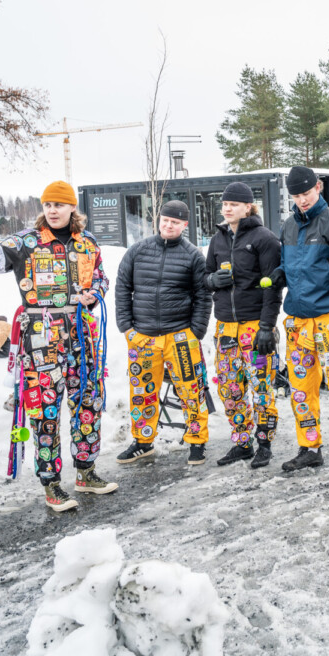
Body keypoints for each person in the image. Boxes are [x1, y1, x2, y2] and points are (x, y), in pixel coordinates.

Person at [0, 181, 116, 512]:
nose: (52, 210)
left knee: (88, 401)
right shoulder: (27, 242)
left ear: (72, 208)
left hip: (82, 333)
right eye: (48, 204)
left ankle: (86, 472)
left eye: (59, 205)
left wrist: (96, 294)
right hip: (41, 336)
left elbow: (102, 278)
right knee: (45, 409)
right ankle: (51, 484)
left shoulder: (87, 243)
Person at [273, 166, 329, 477]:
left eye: (306, 193)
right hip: (298, 321)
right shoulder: (287, 227)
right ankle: (310, 448)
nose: (302, 200)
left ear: (318, 188)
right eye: (296, 195)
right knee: (301, 389)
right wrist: (280, 275)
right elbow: (293, 266)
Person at [114, 200, 212, 466]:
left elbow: (203, 296)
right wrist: (127, 328)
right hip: (143, 337)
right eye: (166, 220)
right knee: (142, 392)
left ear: (184, 225)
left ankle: (196, 441)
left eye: (175, 222)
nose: (169, 225)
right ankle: (143, 442)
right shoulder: (137, 251)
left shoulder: (193, 255)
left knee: (191, 391)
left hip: (180, 337)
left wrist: (196, 332)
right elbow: (122, 289)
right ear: (159, 220)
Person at [203, 182, 283, 467]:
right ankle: (241, 442)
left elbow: (273, 288)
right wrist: (213, 281)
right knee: (230, 388)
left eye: (233, 204)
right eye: (224, 204)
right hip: (225, 328)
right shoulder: (218, 239)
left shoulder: (265, 239)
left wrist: (267, 326)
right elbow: (205, 276)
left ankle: (264, 443)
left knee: (261, 388)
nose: (227, 208)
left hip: (254, 326)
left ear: (248, 206)